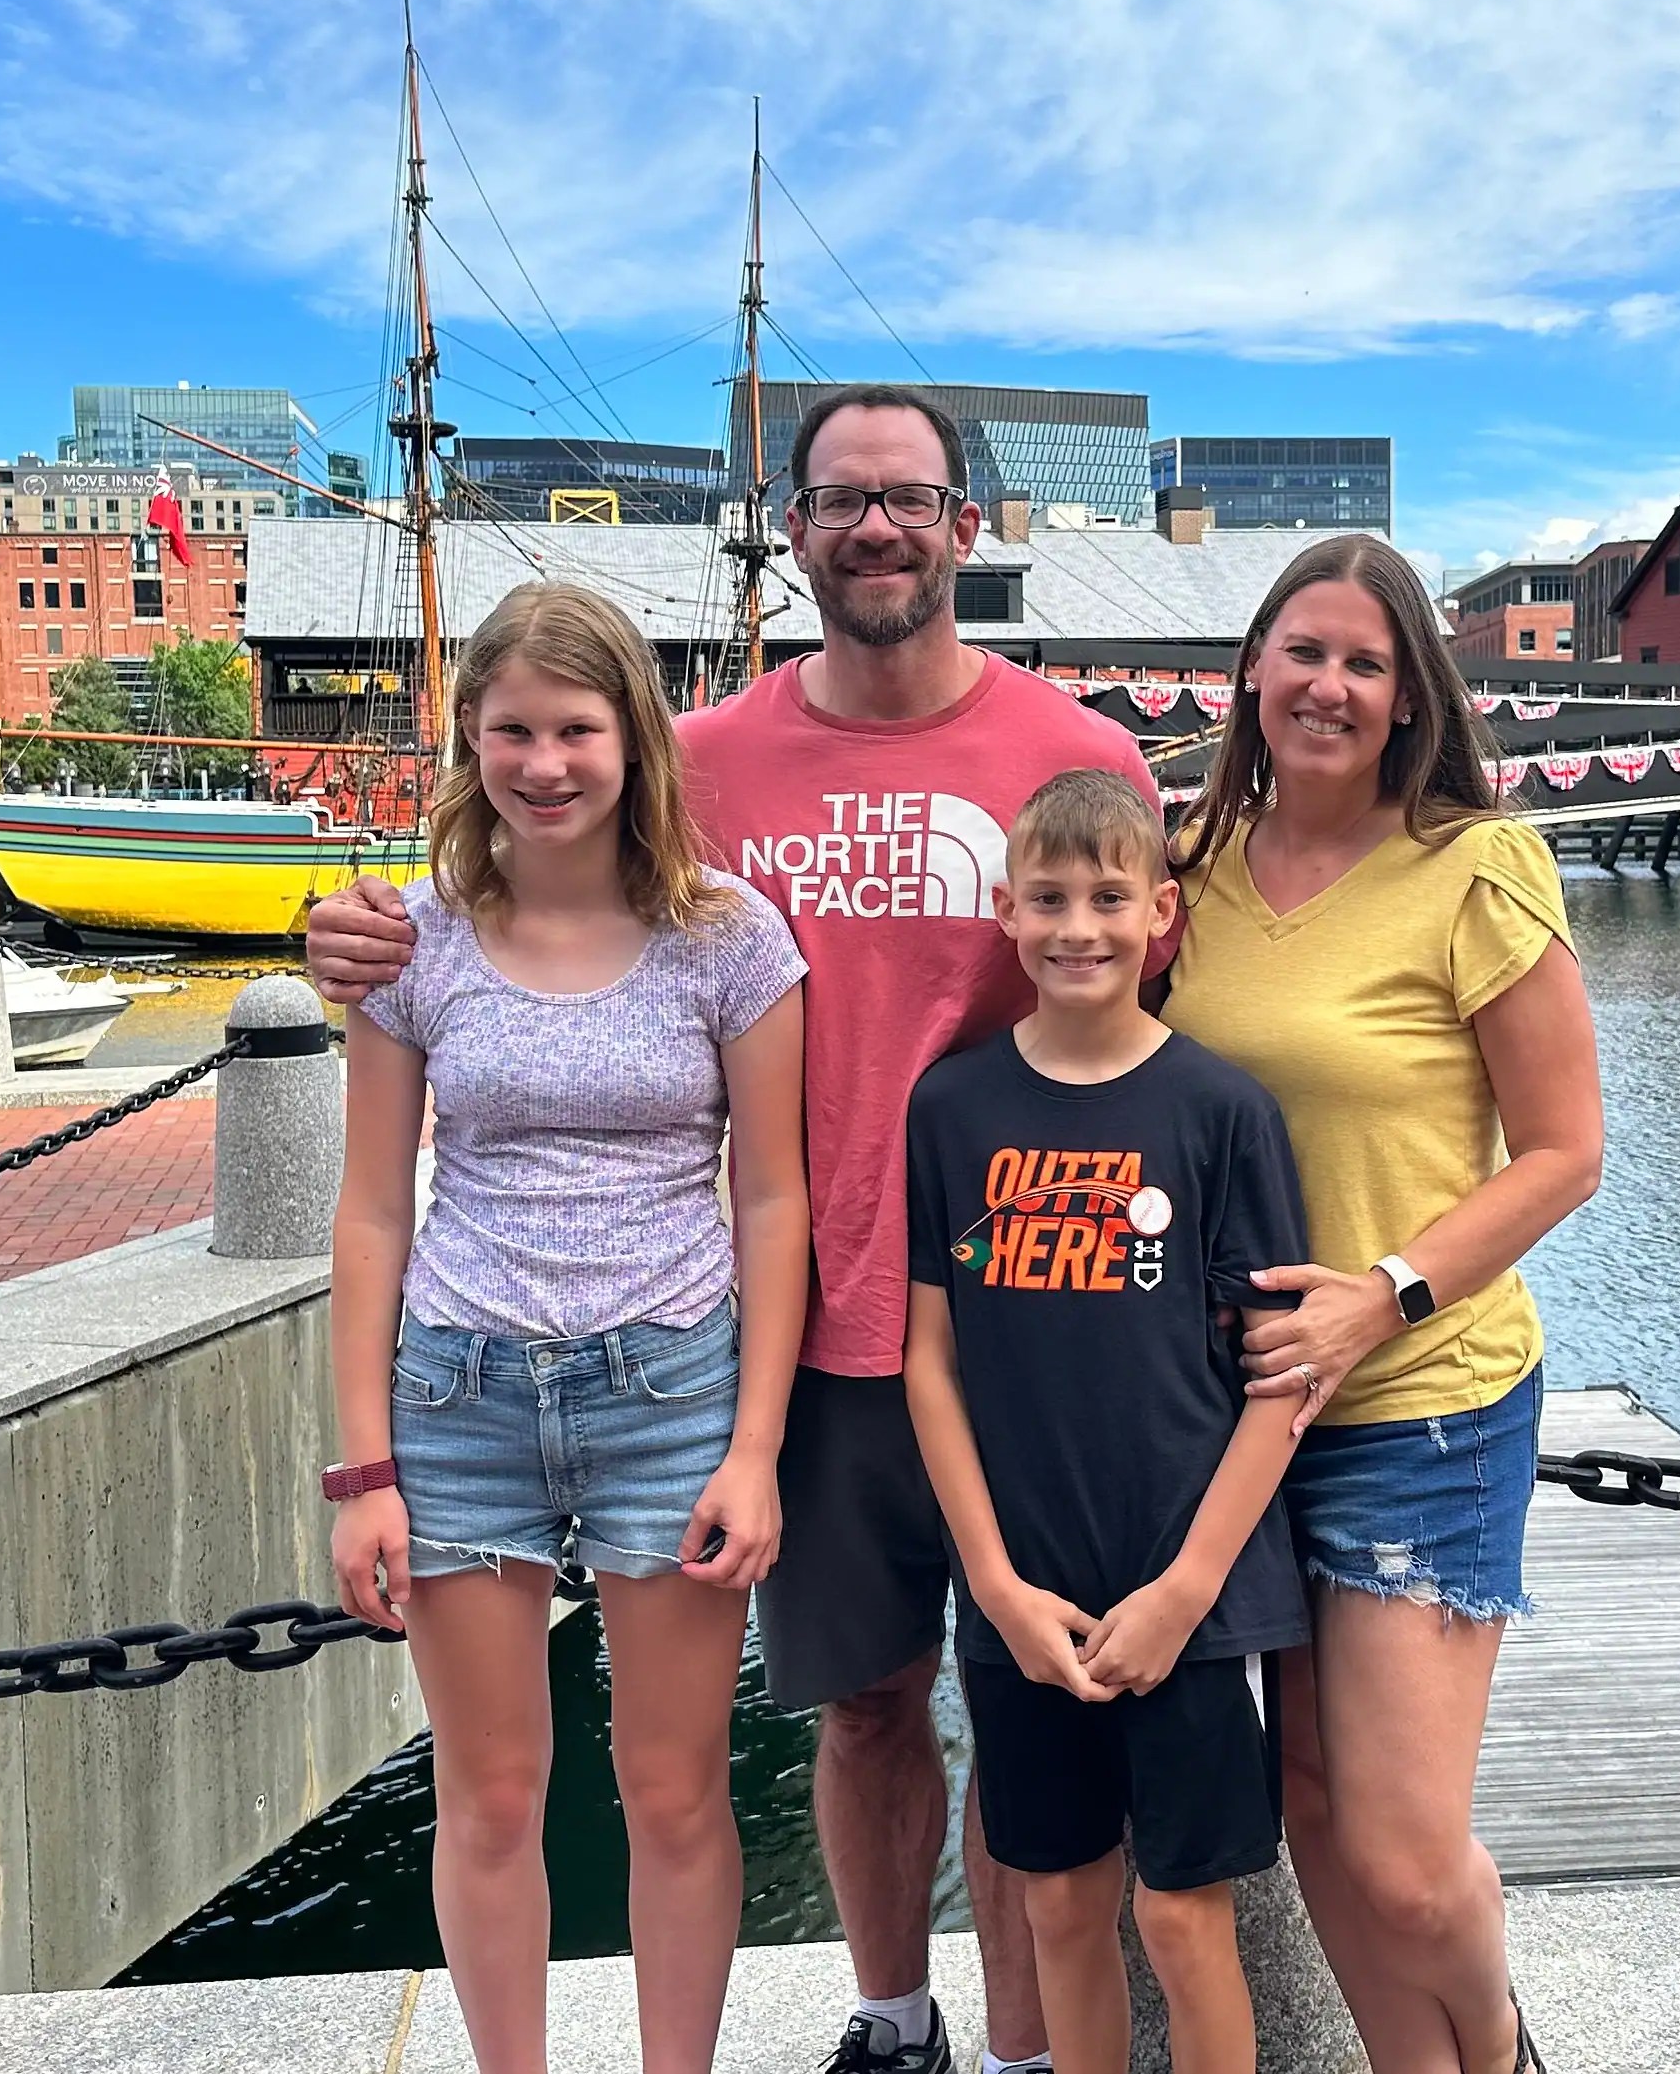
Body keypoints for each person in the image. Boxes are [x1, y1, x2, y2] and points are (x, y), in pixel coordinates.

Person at [305, 383, 1170, 2074]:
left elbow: (1163, 1013)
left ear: (963, 527)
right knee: (857, 1701)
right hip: (797, 1330)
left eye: (909, 497)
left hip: (1019, 1317)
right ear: (795, 528)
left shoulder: (1082, 759)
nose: (876, 525)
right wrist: (337, 927)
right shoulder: (697, 772)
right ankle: (890, 2015)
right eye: (842, 498)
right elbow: (526, 892)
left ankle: (1014, 2047)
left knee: (1020, 1705)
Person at [324, 581, 810, 2074]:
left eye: (577, 728)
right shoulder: (413, 943)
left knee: (671, 1790)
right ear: (469, 738)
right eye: (514, 729)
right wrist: (363, 1470)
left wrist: (755, 1449)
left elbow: (774, 1199)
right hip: (460, 1390)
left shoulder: (729, 939)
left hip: (668, 1384)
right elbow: (370, 1212)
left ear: (634, 740)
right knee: (490, 1791)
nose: (545, 762)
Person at [1162, 534, 1602, 2074]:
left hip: (1423, 1397)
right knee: (1311, 1812)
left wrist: (1386, 1293)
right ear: (1253, 671)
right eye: (1304, 651)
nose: (1329, 685)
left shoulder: (1475, 866)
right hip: (1245, 1412)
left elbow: (1564, 1153)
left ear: (1412, 694)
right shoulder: (1187, 871)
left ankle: (1495, 2045)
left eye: (1365, 661)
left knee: (1408, 1849)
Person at [902, 771, 1311, 2074]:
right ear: (1006, 912)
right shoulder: (953, 1109)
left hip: (1182, 1595)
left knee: (1186, 1919)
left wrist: (1190, 1589)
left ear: (1160, 912)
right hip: (1024, 1595)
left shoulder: (1222, 1111)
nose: (1079, 925)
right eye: (1051, 898)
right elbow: (929, 1358)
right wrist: (994, 1584)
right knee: (1060, 1904)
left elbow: (1280, 1376)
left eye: (1108, 896)